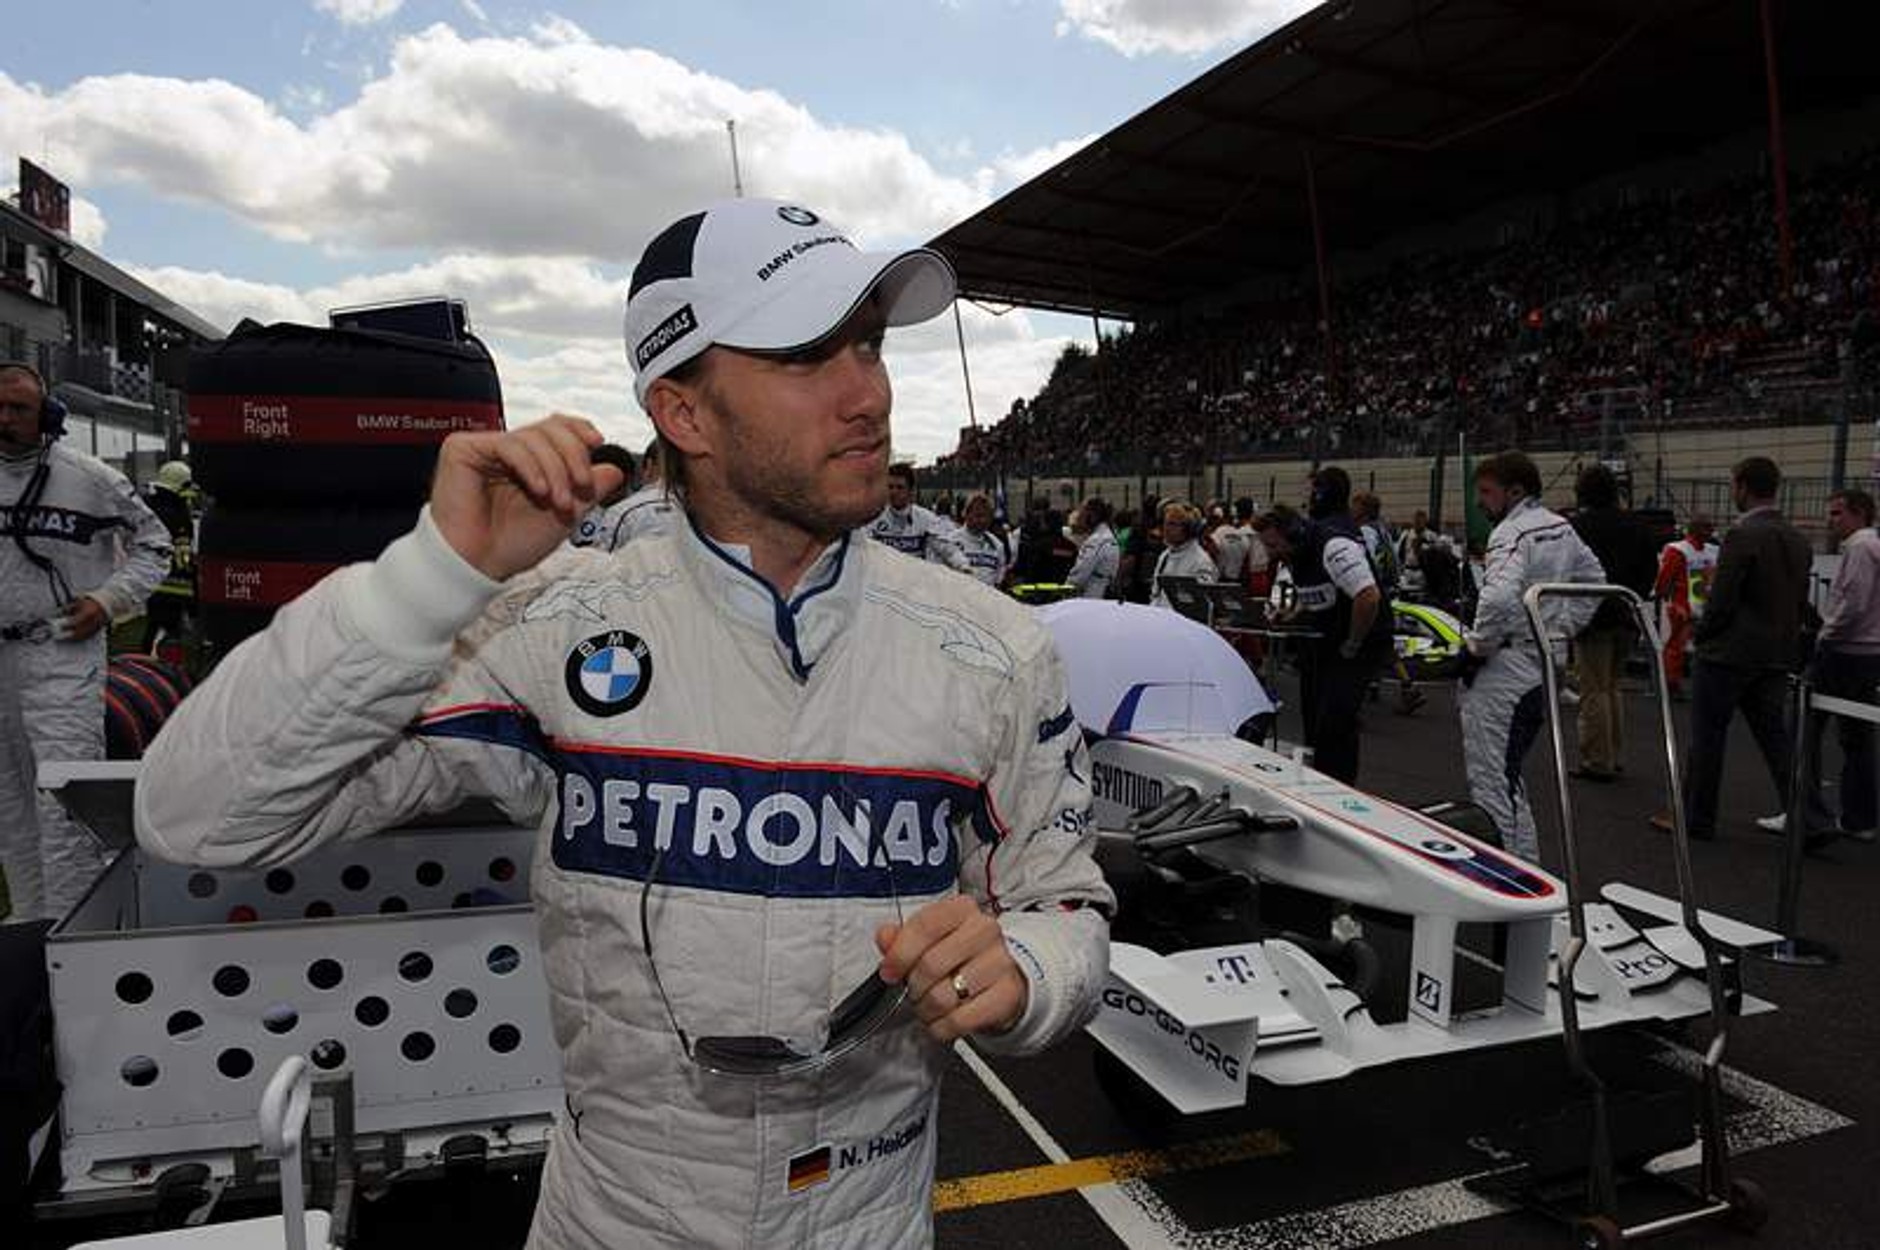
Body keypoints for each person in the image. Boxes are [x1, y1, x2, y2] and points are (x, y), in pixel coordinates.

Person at [135, 197, 1112, 1249]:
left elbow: (1066, 904)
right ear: (683, 414)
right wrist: (432, 575)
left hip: (869, 1223)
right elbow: (197, 817)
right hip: (612, 1221)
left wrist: (1026, 973)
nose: (866, 392)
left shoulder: (990, 647)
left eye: (867, 346)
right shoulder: (541, 623)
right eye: (803, 355)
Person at [2, 362, 171, 920]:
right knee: (9, 807)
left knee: (61, 798)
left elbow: (155, 544)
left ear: (46, 414)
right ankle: (29, 934)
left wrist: (109, 601)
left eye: (19, 409)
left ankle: (75, 930)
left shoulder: (90, 478)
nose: (5, 419)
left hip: (60, 650)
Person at [1649, 457, 1811, 841]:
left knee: (1708, 736)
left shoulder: (1742, 535)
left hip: (1729, 652)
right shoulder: (1796, 537)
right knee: (1776, 737)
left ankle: (1696, 816)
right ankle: (1811, 814)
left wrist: (1704, 634)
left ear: (1741, 485)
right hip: (1776, 651)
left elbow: (1722, 598)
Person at [1459, 452, 1605, 861]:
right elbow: (1596, 581)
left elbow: (1498, 598)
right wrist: (1560, 630)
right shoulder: (1562, 527)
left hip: (1507, 667)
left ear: (1515, 491)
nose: (1479, 502)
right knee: (1508, 774)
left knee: (1490, 780)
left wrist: (1477, 646)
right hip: (1545, 661)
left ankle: (1504, 876)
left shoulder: (1511, 532)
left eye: (1486, 493)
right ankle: (1526, 863)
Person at [1254, 469, 1392, 784]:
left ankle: (1342, 789)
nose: (1271, 554)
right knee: (1313, 718)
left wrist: (1353, 643)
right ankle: (1323, 782)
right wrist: (1293, 614)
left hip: (1362, 636)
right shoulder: (1298, 551)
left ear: (1294, 534)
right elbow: (1319, 590)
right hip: (1329, 635)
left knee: (1335, 719)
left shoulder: (1335, 545)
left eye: (1274, 546)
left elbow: (1368, 598)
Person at [1760, 487, 1880, 847]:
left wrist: (1825, 633)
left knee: (1801, 729)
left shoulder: (1859, 549)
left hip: (1843, 650)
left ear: (1859, 513)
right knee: (1858, 738)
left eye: (1837, 513)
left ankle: (1803, 811)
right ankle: (1860, 818)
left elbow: (1852, 603)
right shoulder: (1874, 546)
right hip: (1870, 654)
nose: (1831, 521)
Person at [1567, 464, 1658, 781]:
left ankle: (1597, 759)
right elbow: (1650, 568)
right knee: (1613, 687)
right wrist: (1633, 597)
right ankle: (1614, 753)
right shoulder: (1636, 524)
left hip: (1592, 617)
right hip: (1625, 612)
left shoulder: (1578, 527)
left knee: (1593, 689)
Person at [1654, 514, 1717, 699]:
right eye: (1706, 527)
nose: (1710, 531)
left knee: (1701, 648)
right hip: (1682, 605)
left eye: (1710, 528)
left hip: (1704, 604)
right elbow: (1665, 579)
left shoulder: (1713, 550)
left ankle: (1696, 683)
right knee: (1676, 647)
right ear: (1694, 529)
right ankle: (1671, 683)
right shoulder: (1677, 550)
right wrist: (1665, 598)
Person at [141, 459, 198, 653]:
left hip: (152, 582)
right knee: (166, 633)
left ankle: (147, 664)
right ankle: (155, 670)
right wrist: (193, 598)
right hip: (172, 584)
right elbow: (183, 558)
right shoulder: (176, 515)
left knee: (155, 626)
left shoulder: (150, 508)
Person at [869, 462, 969, 572]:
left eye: (900, 487)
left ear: (911, 490)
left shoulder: (926, 518)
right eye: (890, 487)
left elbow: (946, 548)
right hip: (882, 578)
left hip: (914, 581)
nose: (894, 492)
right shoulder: (873, 516)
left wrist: (963, 566)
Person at [568, 442, 637, 549]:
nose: (607, 488)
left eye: (615, 484)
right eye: (601, 481)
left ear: (629, 479)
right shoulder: (574, 511)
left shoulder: (638, 514)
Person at [1149, 500, 1216, 609]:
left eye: (1173, 524)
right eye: (1166, 523)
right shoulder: (1165, 556)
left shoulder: (1201, 561)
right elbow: (1155, 595)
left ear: (1189, 528)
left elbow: (1203, 605)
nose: (1166, 528)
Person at [1065, 496, 1120, 599]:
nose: (1079, 517)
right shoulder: (1109, 535)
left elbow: (1079, 576)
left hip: (1090, 596)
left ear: (1092, 516)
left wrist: (1064, 591)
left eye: (1083, 513)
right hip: (1103, 593)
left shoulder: (1096, 541)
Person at [953, 493, 1011, 589]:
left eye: (987, 516)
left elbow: (999, 579)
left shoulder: (997, 545)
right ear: (966, 514)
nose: (983, 520)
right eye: (978, 515)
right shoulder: (951, 541)